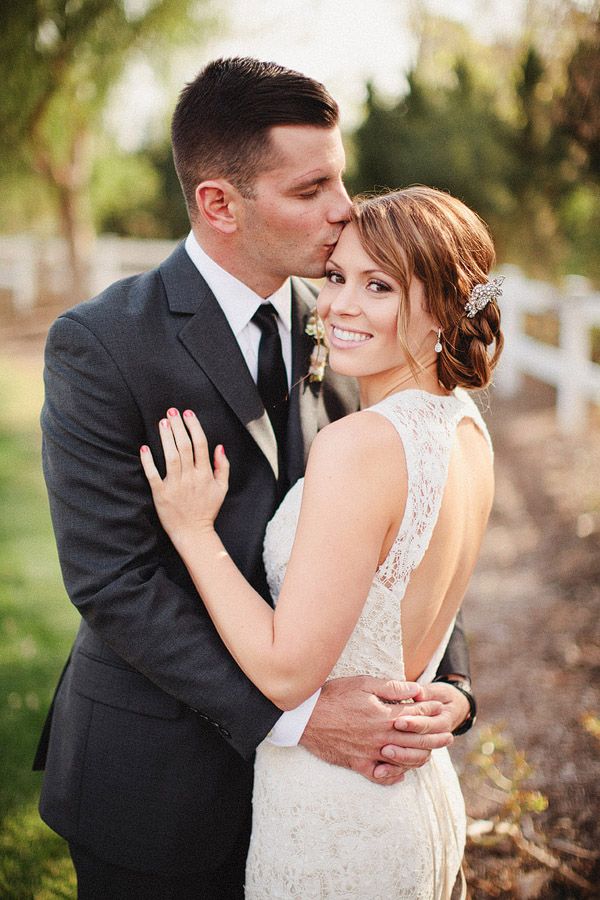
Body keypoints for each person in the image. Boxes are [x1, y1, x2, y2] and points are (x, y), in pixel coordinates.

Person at [34, 59, 474, 898]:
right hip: (157, 782)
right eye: (311, 189)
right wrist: (297, 718)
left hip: (328, 797)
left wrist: (448, 683)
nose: (344, 208)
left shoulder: (348, 323)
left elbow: (404, 523)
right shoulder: (102, 345)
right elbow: (112, 579)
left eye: (339, 177)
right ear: (219, 204)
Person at [141, 186, 504, 899]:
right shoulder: (466, 428)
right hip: (417, 794)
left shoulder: (358, 445)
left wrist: (193, 533)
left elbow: (285, 674)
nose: (338, 305)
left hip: (340, 810)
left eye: (378, 286)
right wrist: (455, 694)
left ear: (442, 307)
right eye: (337, 276)